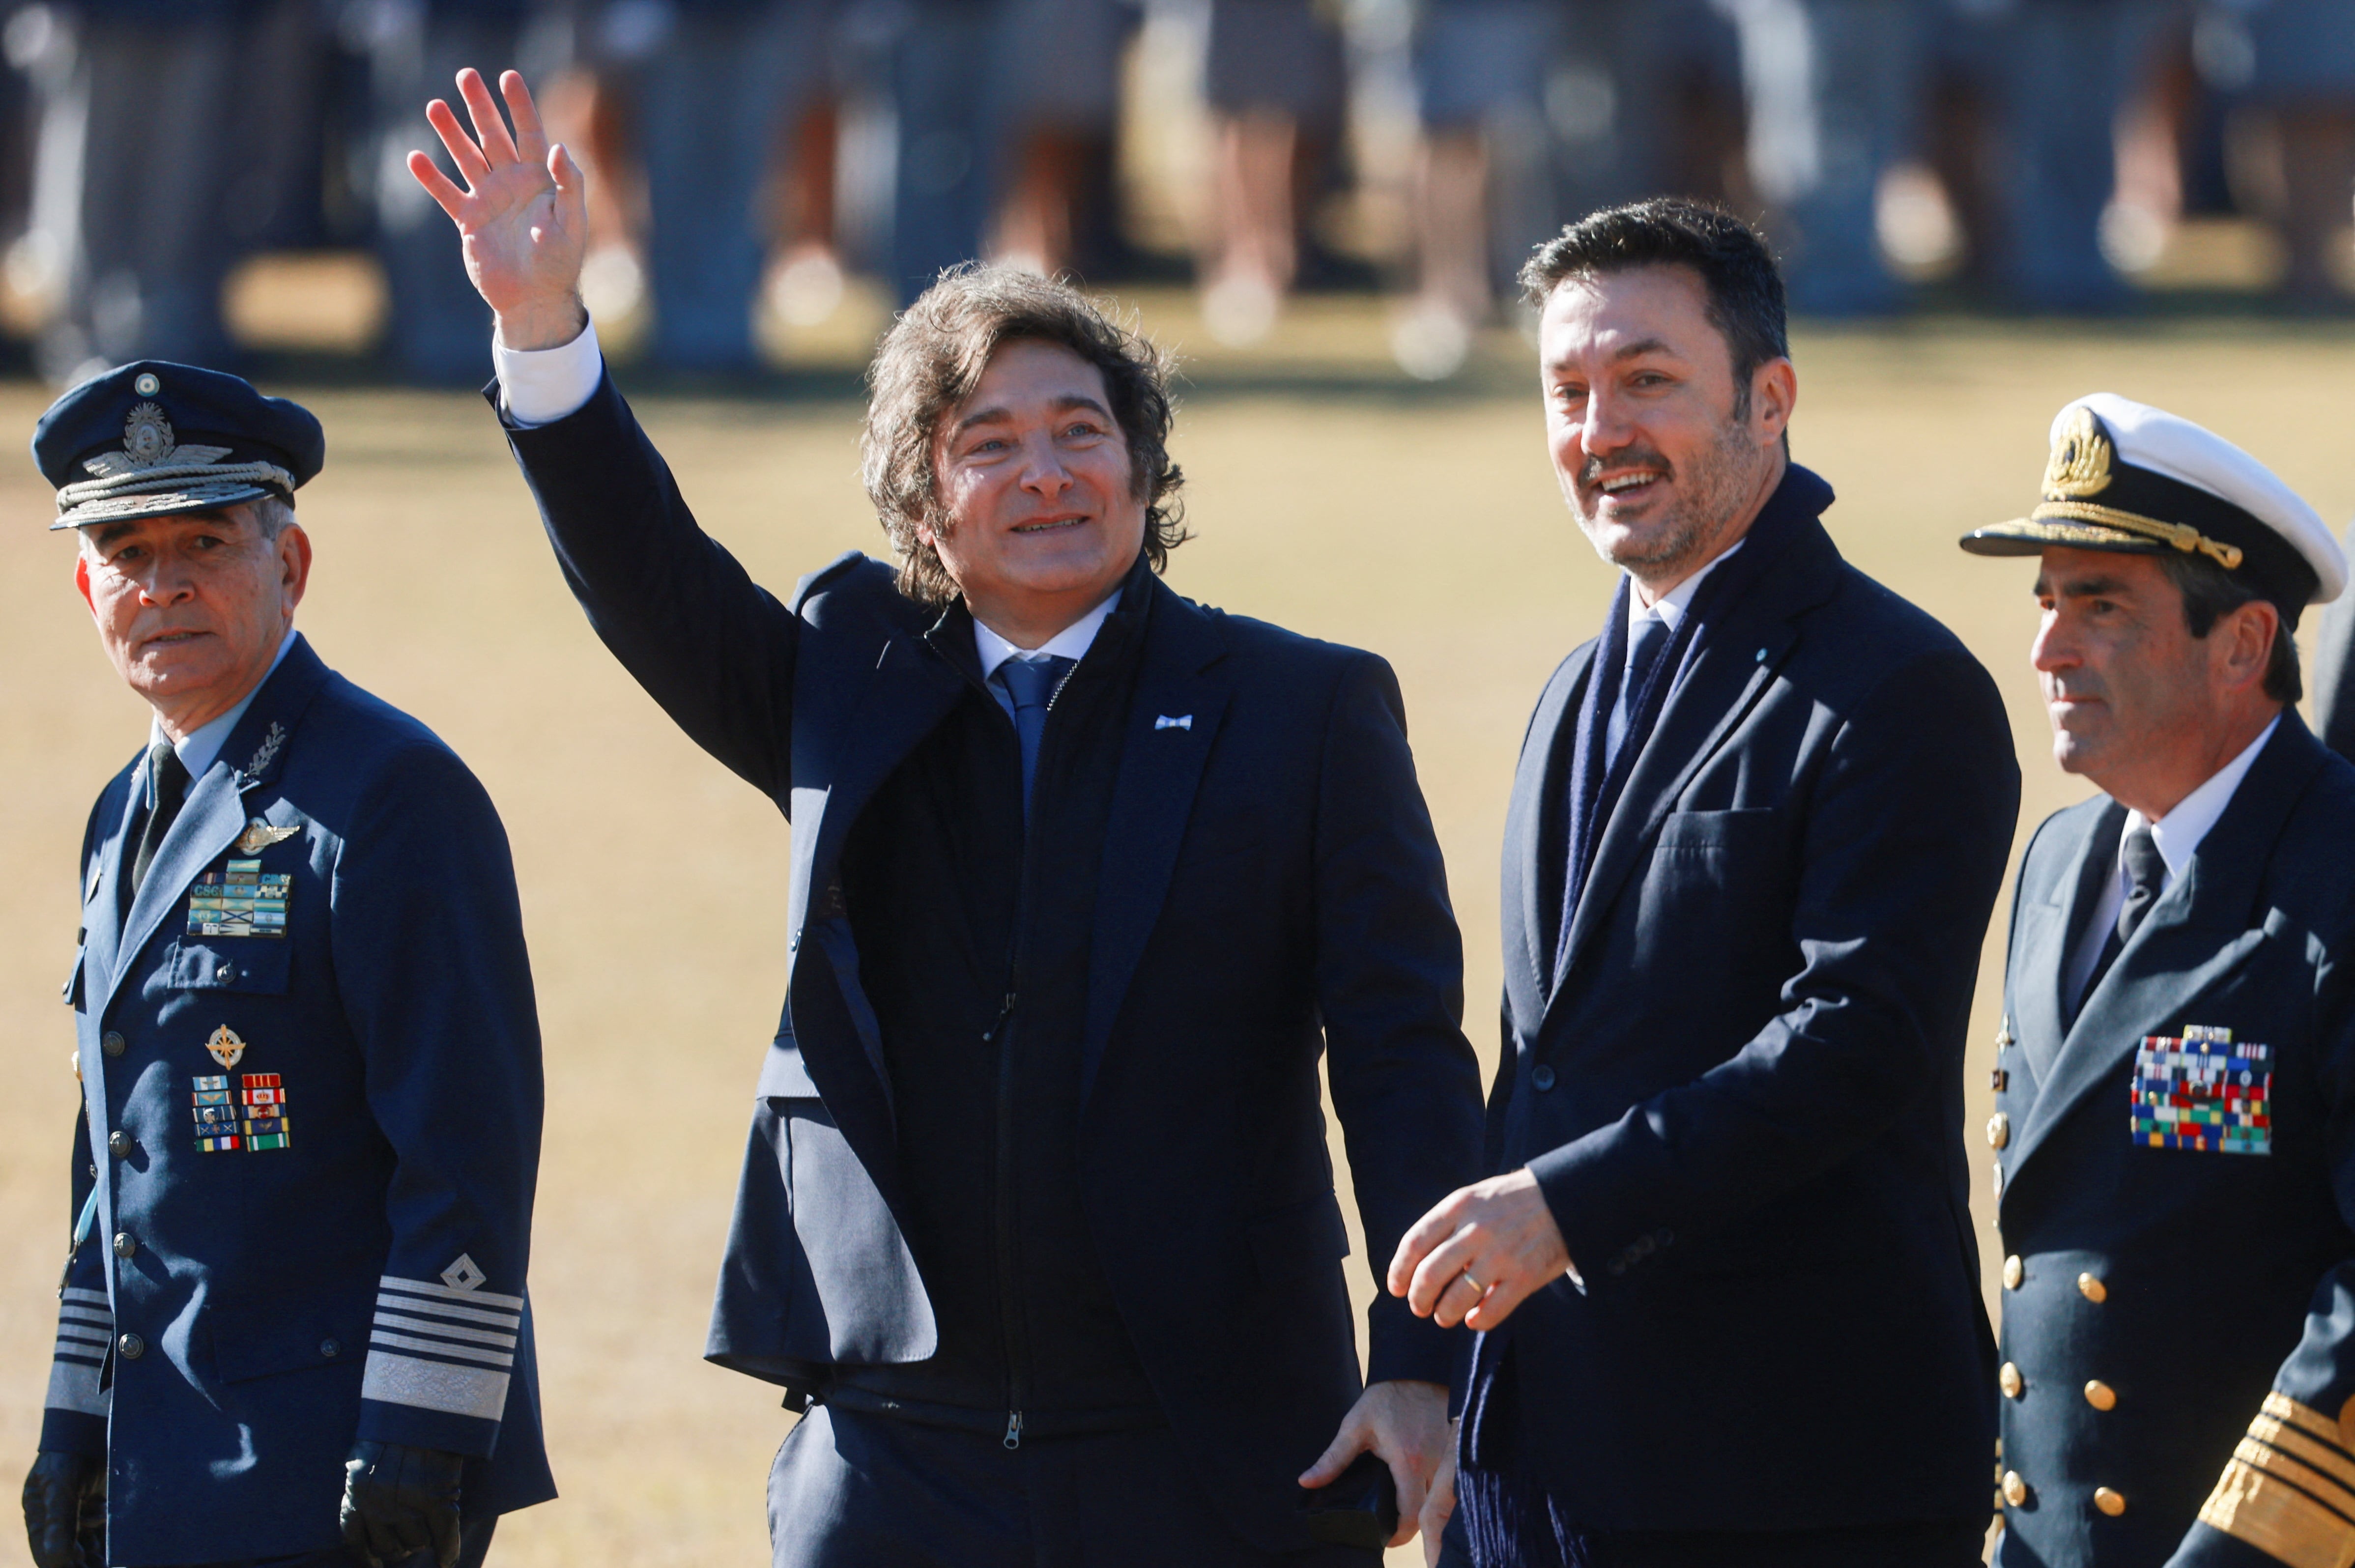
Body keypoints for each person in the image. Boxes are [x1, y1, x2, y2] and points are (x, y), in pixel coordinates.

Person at [410, 67, 1485, 1568]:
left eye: (1081, 431)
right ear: (923, 506)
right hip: (897, 1448)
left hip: (1222, 1446)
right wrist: (541, 325)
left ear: (1145, 465)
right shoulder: (852, 673)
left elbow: (1405, 1064)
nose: (1044, 471)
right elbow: (652, 581)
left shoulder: (1304, 710)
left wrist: (1422, 1364)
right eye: (989, 443)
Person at [1388, 198, 2021, 1567]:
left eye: (1650, 380)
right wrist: (1436, 1372)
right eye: (1568, 392)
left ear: (1772, 397)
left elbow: (1857, 1043)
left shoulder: (1898, 688)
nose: (1600, 430)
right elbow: (1542, 1064)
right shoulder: (1572, 688)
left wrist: (1566, 1209)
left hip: (1788, 1475)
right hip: (1539, 1466)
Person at [17, 362, 554, 1568]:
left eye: (204, 542)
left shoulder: (388, 793)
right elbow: (116, 1155)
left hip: (332, 1455)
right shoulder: (124, 812)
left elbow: (465, 1146)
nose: (165, 587)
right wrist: (74, 1417)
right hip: (171, 1449)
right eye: (127, 553)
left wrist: (423, 1433)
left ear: (290, 567)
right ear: (86, 584)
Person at [1956, 393, 2355, 1567]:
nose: (2046, 648)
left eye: (2101, 607)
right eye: (2043, 604)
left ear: (2240, 644)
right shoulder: (2058, 861)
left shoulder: (2336, 875)